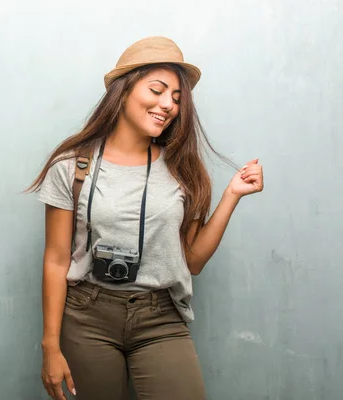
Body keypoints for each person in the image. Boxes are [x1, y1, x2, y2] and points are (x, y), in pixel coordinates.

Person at [27, 36, 264, 400]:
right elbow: (56, 259)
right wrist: (50, 345)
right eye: (157, 90)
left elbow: (194, 261)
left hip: (161, 317)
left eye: (176, 98)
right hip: (88, 315)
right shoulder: (73, 167)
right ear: (123, 92)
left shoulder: (184, 169)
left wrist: (232, 194)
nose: (167, 104)